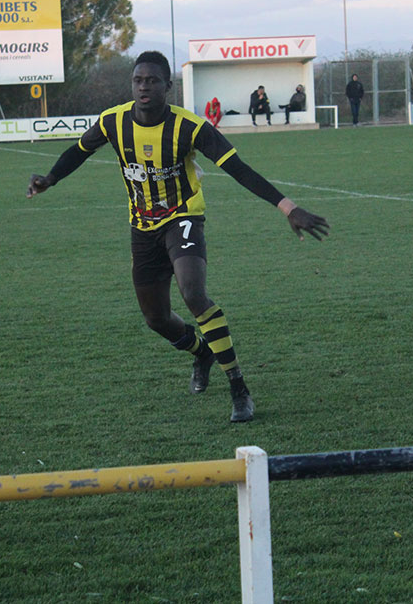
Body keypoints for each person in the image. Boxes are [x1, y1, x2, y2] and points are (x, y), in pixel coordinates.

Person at [26, 51, 329, 422]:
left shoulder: (190, 127)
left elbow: (238, 169)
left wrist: (288, 207)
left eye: (152, 80)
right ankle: (201, 352)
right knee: (155, 318)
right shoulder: (113, 122)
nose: (144, 87)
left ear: (168, 86)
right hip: (142, 226)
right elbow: (79, 150)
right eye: (138, 80)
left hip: (183, 217)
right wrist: (50, 178)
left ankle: (238, 387)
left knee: (193, 293)